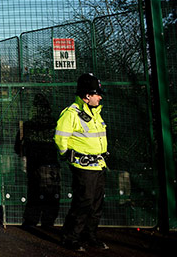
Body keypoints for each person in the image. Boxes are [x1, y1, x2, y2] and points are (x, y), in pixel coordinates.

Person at [54, 73, 109, 251]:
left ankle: (89, 235)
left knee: (96, 203)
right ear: (87, 96)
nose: (100, 97)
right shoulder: (71, 114)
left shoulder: (95, 113)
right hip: (83, 166)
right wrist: (67, 154)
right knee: (83, 202)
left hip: (99, 165)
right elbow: (60, 138)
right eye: (97, 94)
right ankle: (70, 237)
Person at [14, 93, 60, 229]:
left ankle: (30, 222)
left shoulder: (27, 126)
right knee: (51, 195)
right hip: (51, 164)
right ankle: (48, 222)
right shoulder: (55, 124)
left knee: (34, 193)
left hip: (34, 165)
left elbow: (17, 148)